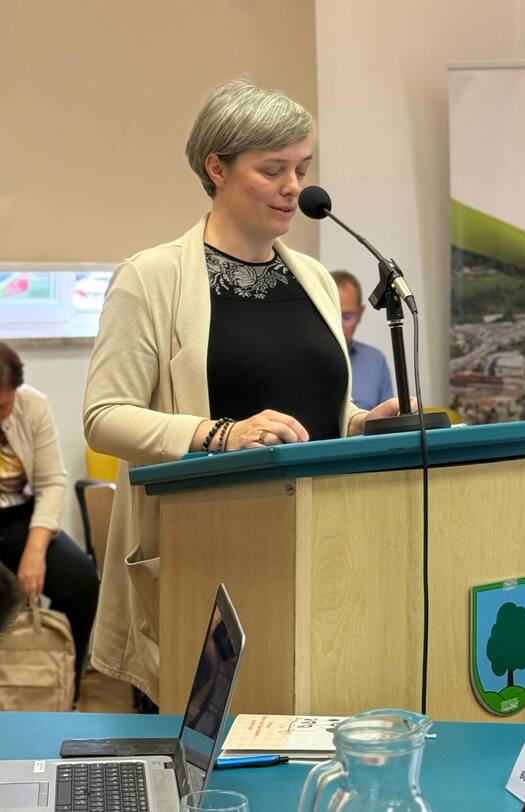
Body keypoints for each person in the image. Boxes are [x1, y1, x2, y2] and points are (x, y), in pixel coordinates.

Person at [83, 80, 407, 706]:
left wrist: (364, 424)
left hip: (322, 553)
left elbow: (316, 409)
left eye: (302, 169)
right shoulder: (151, 278)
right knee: (216, 744)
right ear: (217, 168)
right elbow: (104, 417)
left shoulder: (313, 278)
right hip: (208, 561)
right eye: (273, 169)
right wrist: (219, 434)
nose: (295, 188)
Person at [0, 342, 99, 700]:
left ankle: (62, 692)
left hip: (19, 516)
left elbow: (51, 483)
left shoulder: (33, 405)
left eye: (2, 406)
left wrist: (35, 551)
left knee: (81, 581)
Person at [330, 270, 394, 410]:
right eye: (332, 316)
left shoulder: (376, 361)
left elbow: (389, 418)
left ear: (360, 314)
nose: (339, 326)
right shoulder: (305, 360)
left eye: (347, 317)